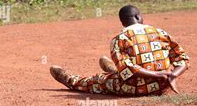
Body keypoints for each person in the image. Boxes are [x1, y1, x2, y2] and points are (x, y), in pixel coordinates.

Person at [50, 5, 189, 96]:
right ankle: (113, 69)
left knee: (98, 81)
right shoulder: (160, 33)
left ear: (122, 22)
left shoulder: (120, 39)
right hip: (162, 87)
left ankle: (68, 79)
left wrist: (158, 75)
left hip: (133, 88)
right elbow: (182, 60)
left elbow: (129, 69)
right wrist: (171, 76)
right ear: (139, 17)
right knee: (124, 69)